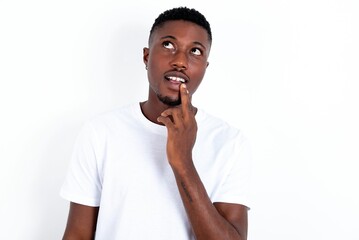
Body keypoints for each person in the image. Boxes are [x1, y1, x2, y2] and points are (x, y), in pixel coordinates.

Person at [60, 6, 251, 240]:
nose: (180, 61)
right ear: (146, 56)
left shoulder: (229, 142)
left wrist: (182, 162)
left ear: (205, 68)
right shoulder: (100, 133)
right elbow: (77, 235)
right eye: (169, 45)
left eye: (196, 51)